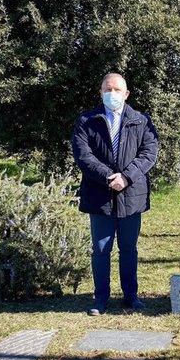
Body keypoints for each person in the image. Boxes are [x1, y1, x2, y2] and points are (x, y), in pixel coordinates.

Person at [72, 73, 158, 316]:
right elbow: (83, 155)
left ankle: (131, 296)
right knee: (101, 249)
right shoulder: (86, 121)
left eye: (117, 89)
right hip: (100, 196)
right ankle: (100, 298)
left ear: (126, 94)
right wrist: (109, 177)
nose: (112, 93)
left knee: (128, 249)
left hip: (132, 196)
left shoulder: (141, 121)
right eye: (107, 89)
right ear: (100, 93)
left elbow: (149, 153)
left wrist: (126, 177)